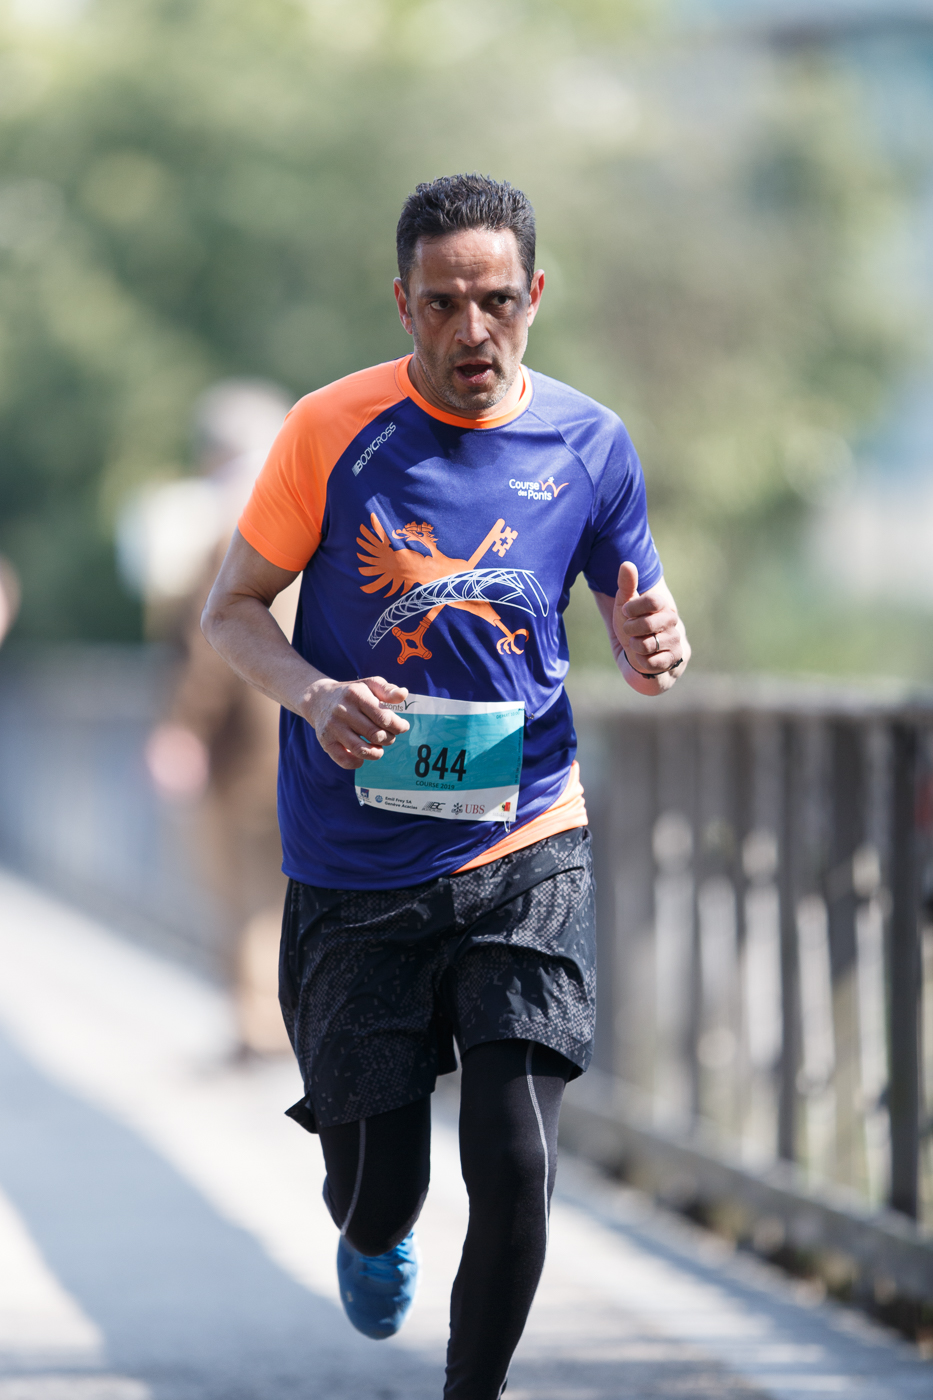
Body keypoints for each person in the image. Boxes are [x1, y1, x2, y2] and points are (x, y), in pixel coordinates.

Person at [202, 173, 690, 1400]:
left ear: (536, 295)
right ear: (403, 304)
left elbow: (638, 618)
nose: (473, 330)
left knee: (517, 1157)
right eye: (442, 304)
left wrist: (653, 643)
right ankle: (372, 1232)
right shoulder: (331, 429)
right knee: (380, 1187)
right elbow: (234, 609)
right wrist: (317, 693)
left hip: (527, 831)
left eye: (496, 302)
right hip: (356, 856)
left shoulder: (590, 442)